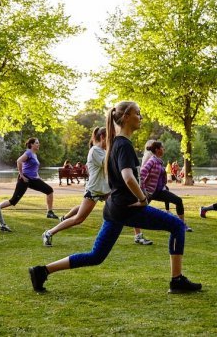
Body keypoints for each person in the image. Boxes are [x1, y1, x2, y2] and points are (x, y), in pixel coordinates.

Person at [29, 101, 201, 294]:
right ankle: (177, 280)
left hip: (114, 208)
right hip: (128, 207)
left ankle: (42, 271)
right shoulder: (123, 145)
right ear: (126, 117)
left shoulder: (114, 144)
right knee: (177, 225)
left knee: (96, 256)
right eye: (138, 113)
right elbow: (128, 177)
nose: (141, 117)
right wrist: (143, 198)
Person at [42, 127, 152, 246]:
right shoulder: (95, 150)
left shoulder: (104, 151)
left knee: (128, 207)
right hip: (94, 190)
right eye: (111, 138)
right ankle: (49, 233)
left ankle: (138, 236)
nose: (112, 142)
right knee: (79, 219)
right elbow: (109, 164)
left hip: (107, 190)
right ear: (103, 137)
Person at [0, 138, 58, 220]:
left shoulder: (34, 154)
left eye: (38, 143)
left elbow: (33, 168)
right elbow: (19, 161)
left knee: (49, 190)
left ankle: (50, 212)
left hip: (33, 180)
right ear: (31, 144)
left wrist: (38, 177)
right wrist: (21, 175)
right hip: (24, 179)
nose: (38, 144)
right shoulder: (28, 153)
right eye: (36, 143)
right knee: (13, 200)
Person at [140, 141, 192, 232]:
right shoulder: (152, 160)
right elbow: (142, 173)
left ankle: (182, 225)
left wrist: (166, 183)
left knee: (178, 201)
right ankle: (128, 224)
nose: (164, 149)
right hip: (150, 192)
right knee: (138, 210)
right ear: (157, 150)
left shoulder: (159, 161)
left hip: (159, 191)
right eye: (162, 148)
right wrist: (144, 189)